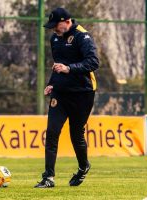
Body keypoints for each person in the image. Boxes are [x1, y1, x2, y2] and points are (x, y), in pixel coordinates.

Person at [34, 7, 99, 188]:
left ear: (67, 21)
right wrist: (51, 83)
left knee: (76, 135)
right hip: (61, 94)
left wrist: (69, 68)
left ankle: (83, 166)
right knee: (52, 133)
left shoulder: (82, 36)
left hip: (83, 93)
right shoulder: (54, 38)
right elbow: (58, 66)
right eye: (52, 26)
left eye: (56, 25)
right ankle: (48, 177)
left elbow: (94, 62)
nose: (54, 29)